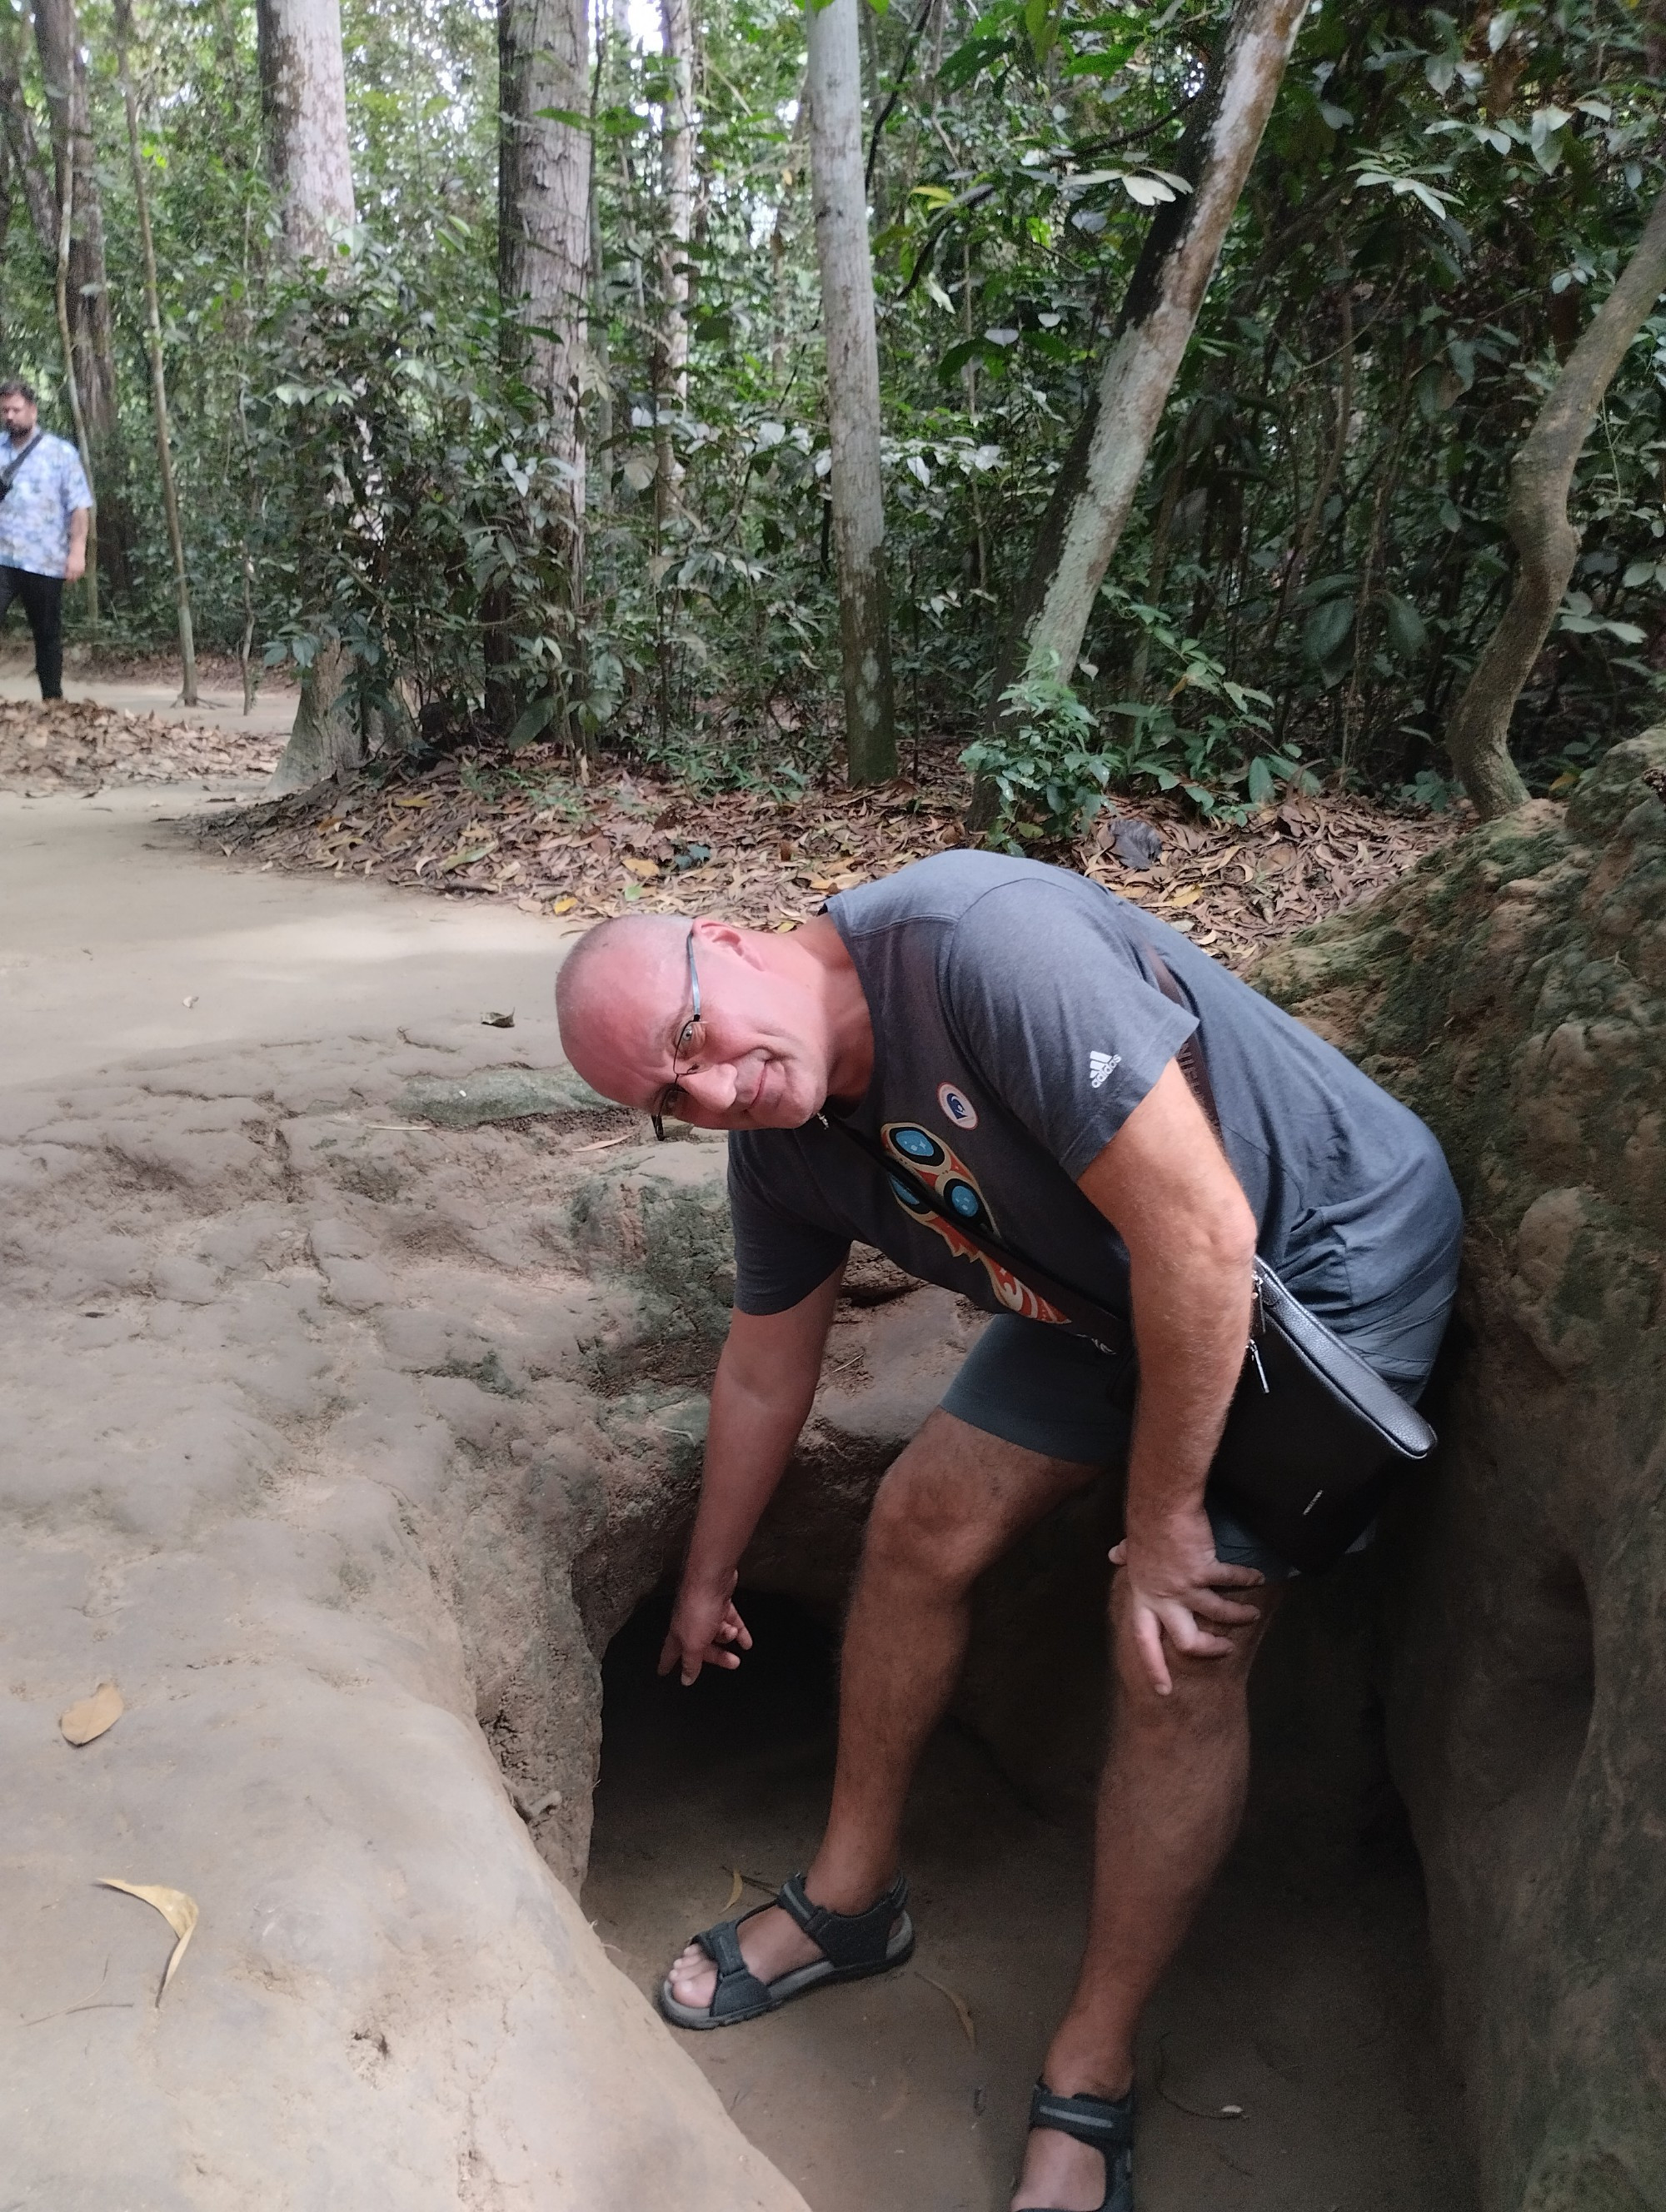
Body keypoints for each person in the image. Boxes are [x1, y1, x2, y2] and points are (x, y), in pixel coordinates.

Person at [555, 851, 1461, 2212]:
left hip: (1311, 1256)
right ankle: (850, 1902)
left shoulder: (980, 949)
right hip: (1111, 1284)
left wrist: (1161, 1524)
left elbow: (1207, 1239)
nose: (715, 1090)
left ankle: (1088, 2072)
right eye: (670, 1099)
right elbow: (760, 1367)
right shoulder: (783, 1143)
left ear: (730, 944)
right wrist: (707, 1572)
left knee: (1177, 1633)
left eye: (693, 1043)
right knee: (920, 1521)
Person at [0, 379, 92, 702]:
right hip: (3, 558)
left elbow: (79, 505)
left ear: (33, 411)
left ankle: (53, 700)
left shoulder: (60, 453)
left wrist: (77, 551)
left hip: (45, 559)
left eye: (16, 409)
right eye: (5, 410)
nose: (10, 416)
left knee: (47, 632)